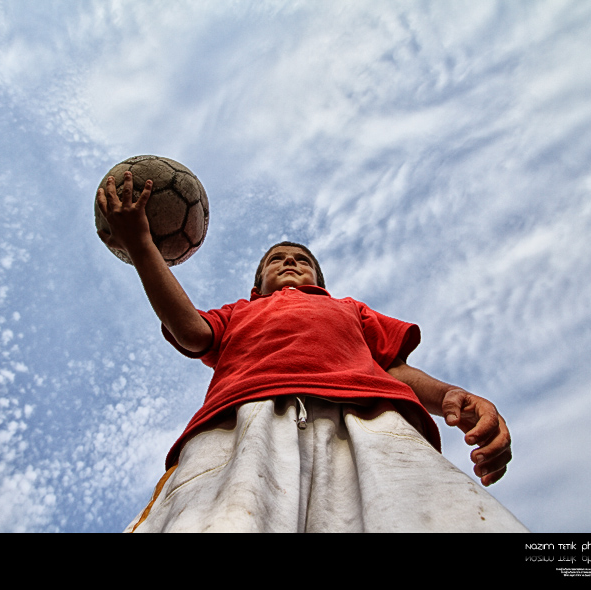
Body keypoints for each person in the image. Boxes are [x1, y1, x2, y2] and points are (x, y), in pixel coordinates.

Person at [97, 171, 529, 533]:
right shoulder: (239, 313)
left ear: (319, 278)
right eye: (277, 259)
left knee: (437, 518)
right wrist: (142, 245)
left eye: (301, 259)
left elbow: (394, 369)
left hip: (372, 419)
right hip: (243, 423)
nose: (290, 262)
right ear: (256, 285)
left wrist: (447, 394)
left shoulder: (349, 310)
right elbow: (190, 330)